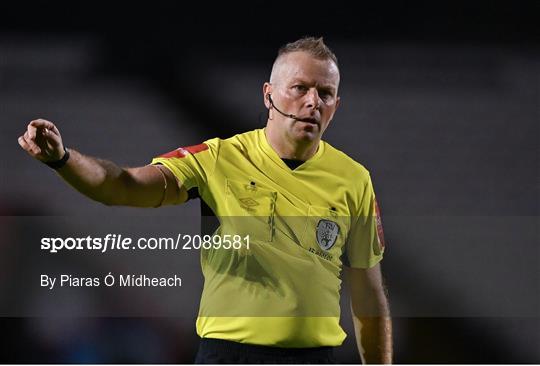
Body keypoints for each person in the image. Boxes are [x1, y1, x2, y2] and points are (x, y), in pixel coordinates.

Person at [18, 37, 392, 364]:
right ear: (269, 94)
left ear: (336, 106)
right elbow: (123, 185)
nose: (312, 101)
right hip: (229, 355)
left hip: (314, 358)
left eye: (325, 93)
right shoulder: (218, 159)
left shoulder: (353, 178)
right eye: (299, 87)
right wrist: (63, 159)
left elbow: (368, 295)